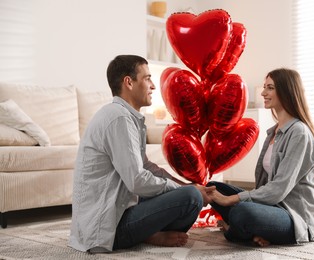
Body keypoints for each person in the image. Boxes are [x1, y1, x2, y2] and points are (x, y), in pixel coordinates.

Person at [69, 55, 214, 253]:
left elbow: (145, 166)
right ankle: (149, 234)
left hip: (119, 210)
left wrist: (185, 185)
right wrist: (185, 191)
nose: (153, 86)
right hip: (107, 230)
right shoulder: (119, 118)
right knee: (191, 198)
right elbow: (137, 180)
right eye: (147, 78)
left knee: (189, 191)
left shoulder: (125, 116)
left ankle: (150, 232)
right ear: (129, 82)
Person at [207, 68, 314, 247]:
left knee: (242, 212)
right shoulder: (274, 132)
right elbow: (264, 186)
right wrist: (229, 197)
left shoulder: (299, 133)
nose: (263, 93)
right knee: (213, 189)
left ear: (286, 91)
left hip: (293, 215)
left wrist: (231, 200)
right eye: (264, 87)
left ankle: (238, 230)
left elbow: (278, 189)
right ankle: (252, 231)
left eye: (270, 88)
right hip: (270, 207)